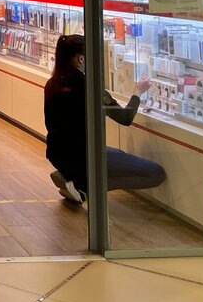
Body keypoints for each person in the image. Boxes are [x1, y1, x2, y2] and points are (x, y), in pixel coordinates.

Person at [44, 34, 166, 204]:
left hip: (57, 154)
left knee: (118, 154)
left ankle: (71, 177)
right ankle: (83, 186)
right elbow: (125, 117)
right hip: (83, 156)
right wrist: (137, 91)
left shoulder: (52, 84)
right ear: (81, 59)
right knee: (156, 174)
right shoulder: (90, 87)